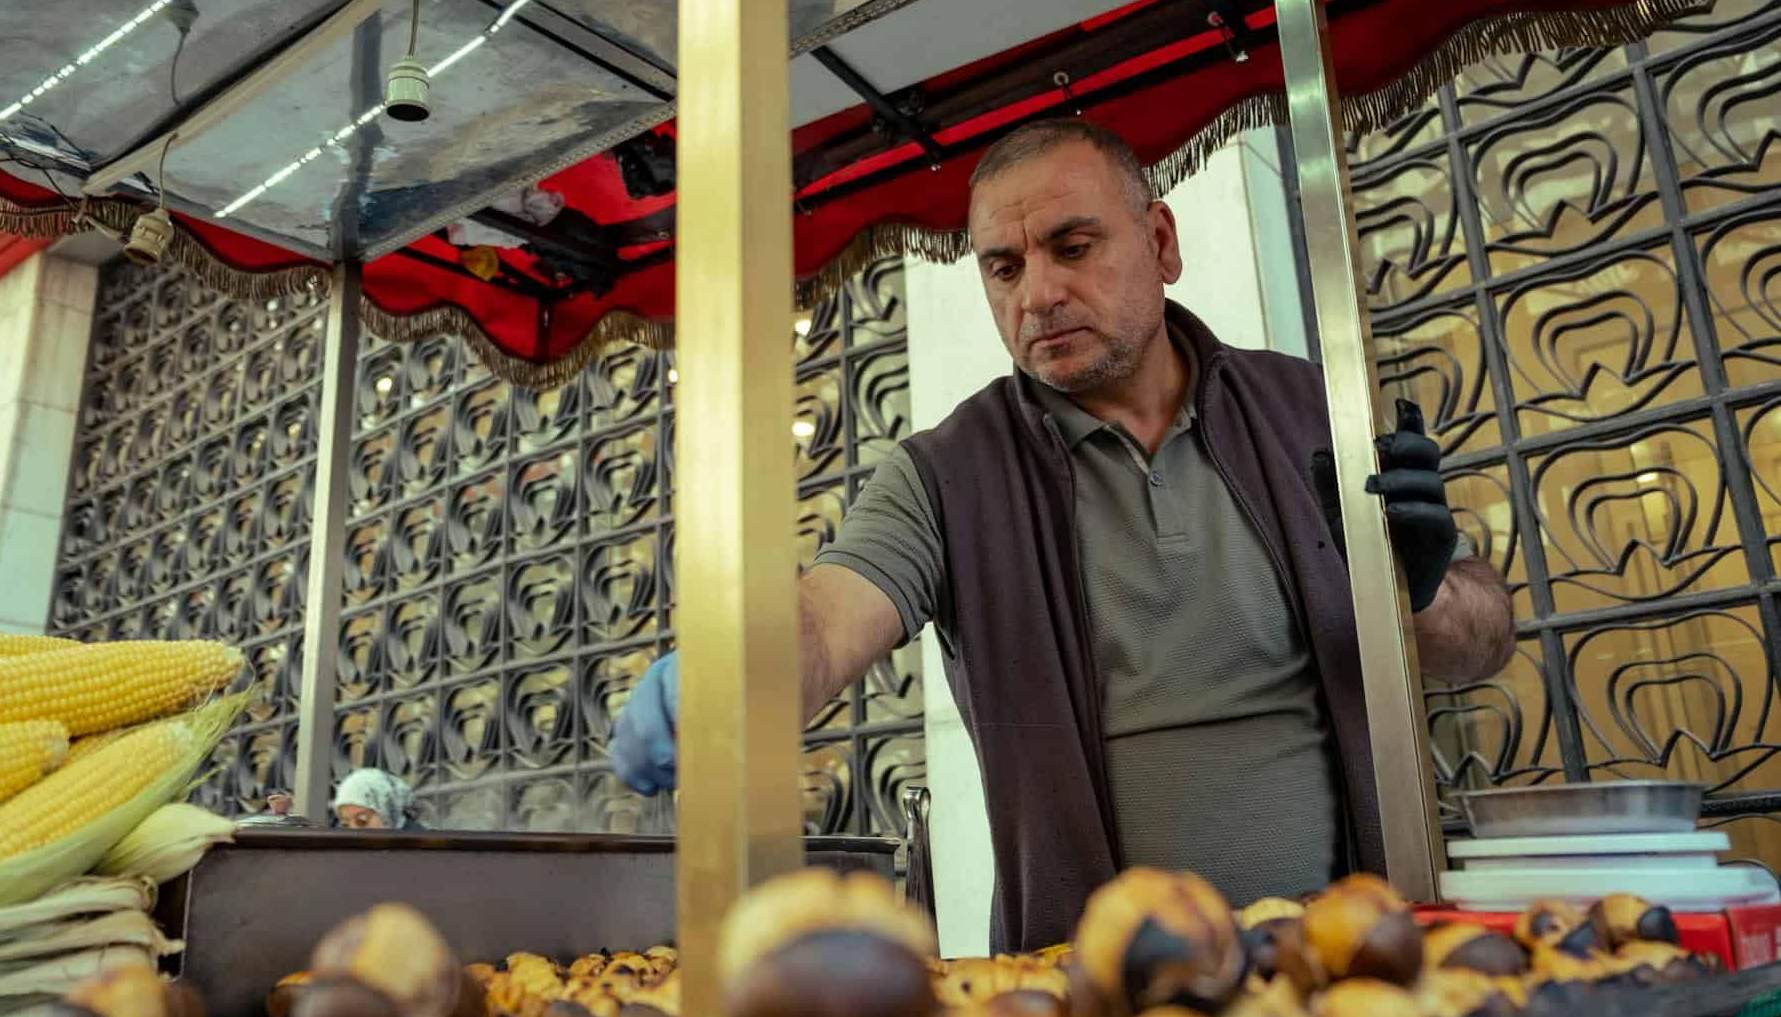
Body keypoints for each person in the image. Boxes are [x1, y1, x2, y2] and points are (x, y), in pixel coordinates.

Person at [609, 118, 1517, 951]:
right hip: (1092, 1004)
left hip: (1351, 960)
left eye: (1072, 247)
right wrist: (734, 676)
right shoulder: (949, 474)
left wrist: (1424, 593)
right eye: (1003, 267)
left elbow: (1482, 643)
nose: (1038, 294)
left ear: (1160, 243)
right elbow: (828, 619)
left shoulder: (1310, 413)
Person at [332, 768, 424, 830]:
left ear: (387, 811)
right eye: (346, 825)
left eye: (361, 820)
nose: (353, 831)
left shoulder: (425, 850)